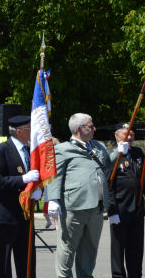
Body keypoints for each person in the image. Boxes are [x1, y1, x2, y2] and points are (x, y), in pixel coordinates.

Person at [46, 113, 113, 278]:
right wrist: (53, 199)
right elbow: (55, 175)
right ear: (79, 129)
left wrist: (120, 149)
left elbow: (108, 163)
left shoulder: (97, 146)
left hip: (96, 207)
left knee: (89, 251)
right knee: (67, 250)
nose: (94, 129)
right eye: (90, 126)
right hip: (74, 207)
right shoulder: (63, 149)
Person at [107, 124, 145, 278]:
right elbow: (107, 184)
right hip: (120, 208)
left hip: (137, 207)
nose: (129, 137)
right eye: (126, 134)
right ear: (117, 136)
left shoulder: (137, 152)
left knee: (136, 248)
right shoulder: (112, 155)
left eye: (132, 134)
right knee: (118, 249)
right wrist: (111, 209)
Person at [0, 115, 39, 278]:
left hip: (26, 212)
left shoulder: (30, 150)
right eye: (29, 128)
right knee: (4, 260)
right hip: (7, 212)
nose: (31, 131)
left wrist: (37, 190)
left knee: (26, 258)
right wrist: (22, 179)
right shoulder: (2, 149)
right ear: (19, 131)